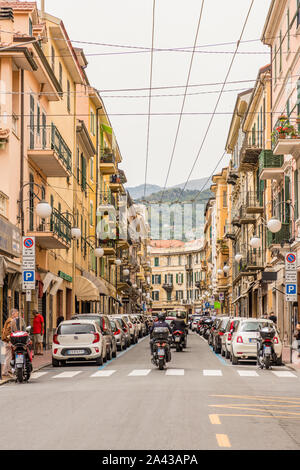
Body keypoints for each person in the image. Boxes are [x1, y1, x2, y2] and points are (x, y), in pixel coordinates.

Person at [1, 309, 19, 378]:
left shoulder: (8, 320)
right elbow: (10, 331)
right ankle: (5, 372)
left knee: (5, 356)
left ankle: (5, 371)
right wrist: (9, 340)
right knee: (8, 357)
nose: (17, 315)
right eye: (17, 313)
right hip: (7, 341)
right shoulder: (12, 321)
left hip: (4, 340)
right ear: (13, 314)